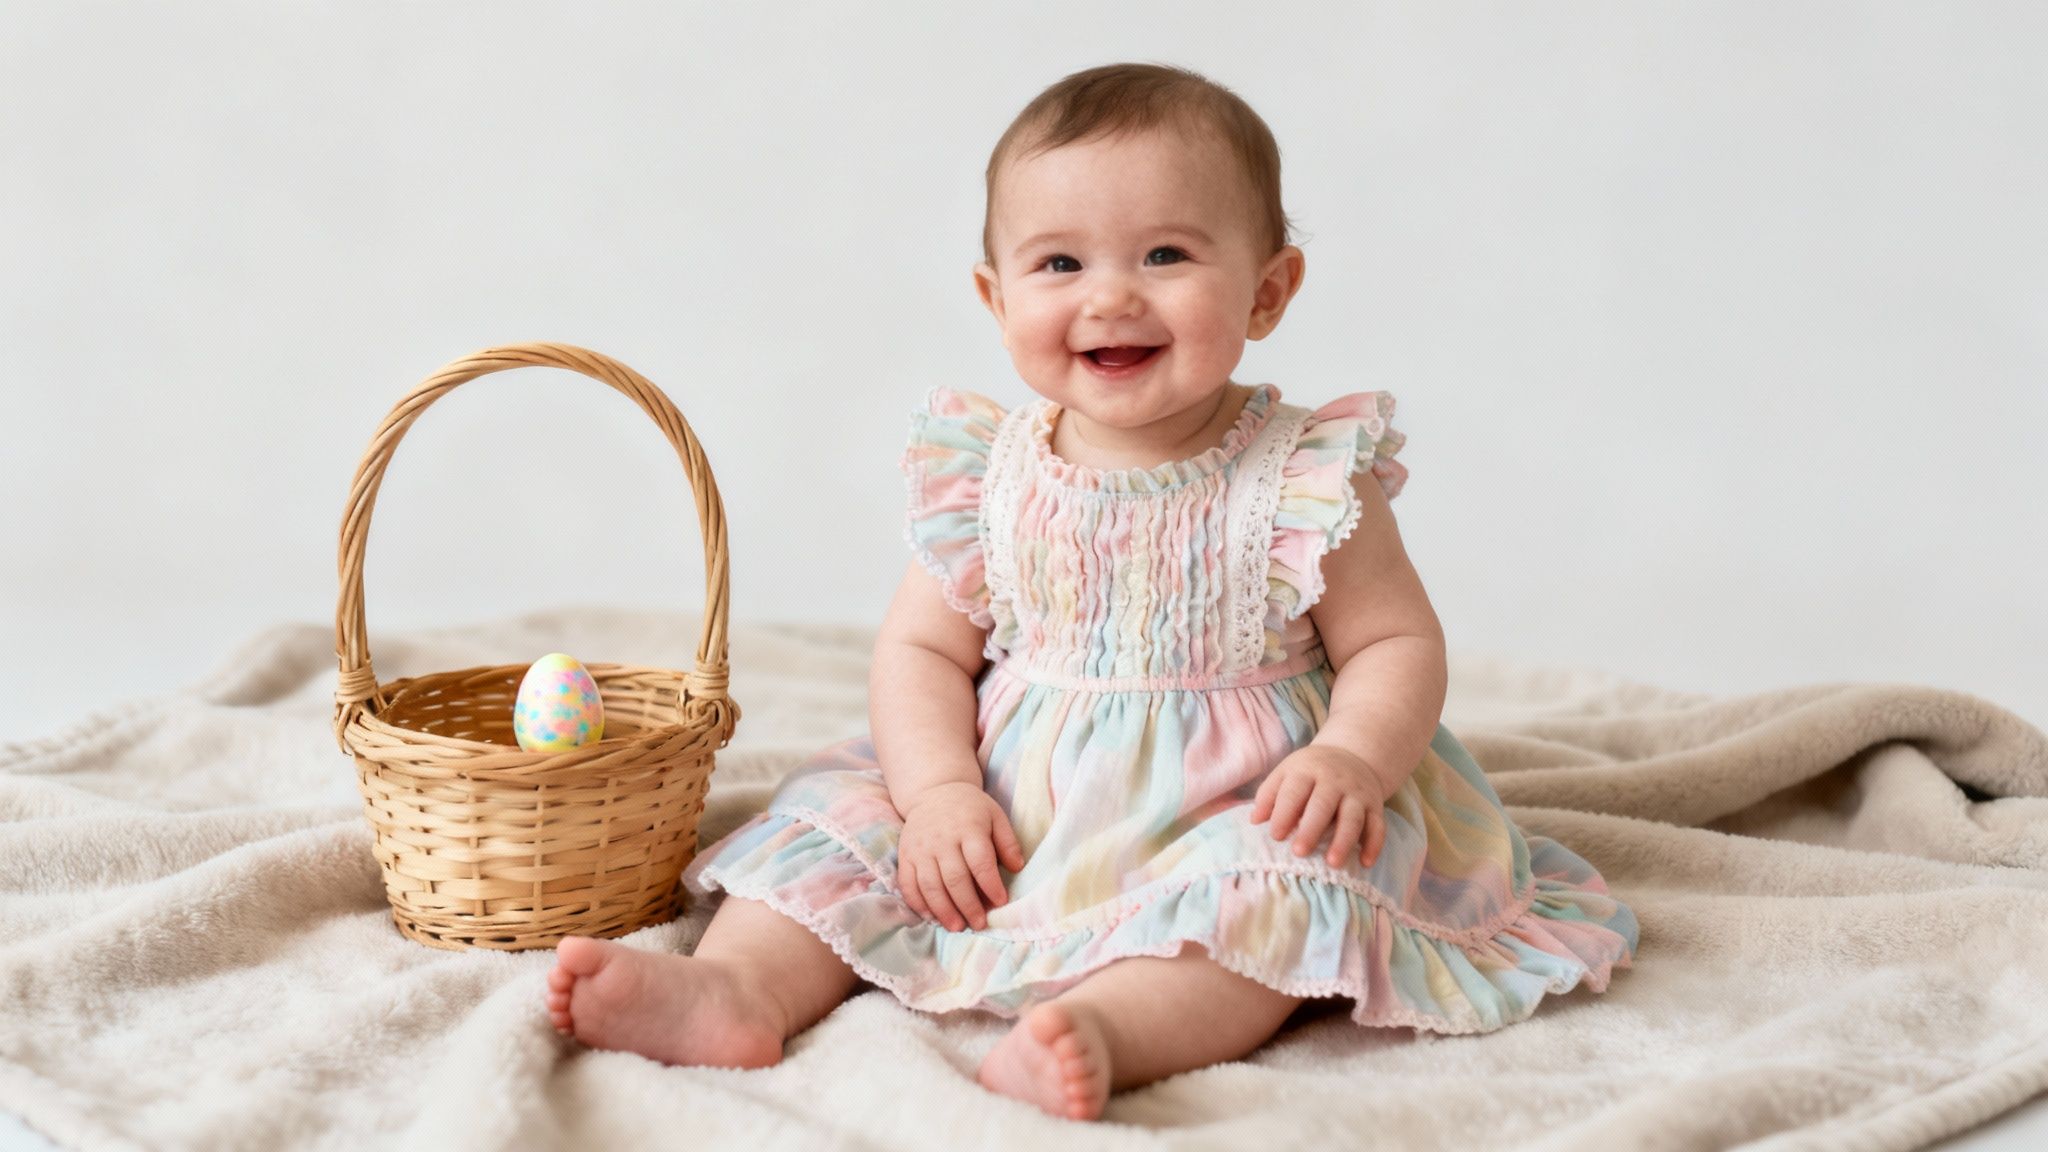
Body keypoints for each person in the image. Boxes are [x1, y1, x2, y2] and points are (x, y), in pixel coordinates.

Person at [545, 60, 1638, 1122]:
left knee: (1267, 898)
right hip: (1007, 807)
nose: (1110, 295)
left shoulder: (1301, 475)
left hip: (1233, 796)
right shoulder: (986, 474)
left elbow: (1394, 642)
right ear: (994, 294)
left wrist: (1349, 759)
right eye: (1058, 264)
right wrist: (934, 796)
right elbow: (921, 655)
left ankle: (1111, 1031)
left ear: (1266, 291)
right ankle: (740, 991)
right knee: (834, 825)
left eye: (1164, 253)